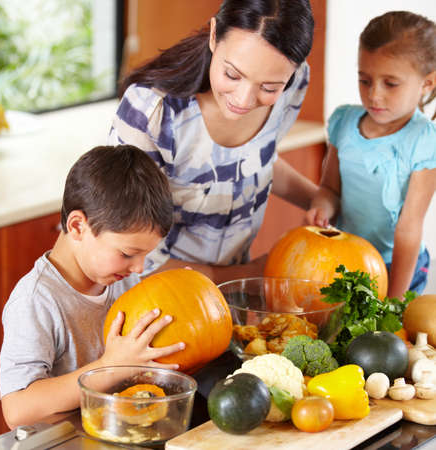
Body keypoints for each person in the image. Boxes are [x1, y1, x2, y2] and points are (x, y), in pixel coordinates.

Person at [108, 0, 318, 284]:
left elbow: (256, 160)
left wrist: (320, 199)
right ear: (213, 35)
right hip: (153, 297)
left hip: (231, 294)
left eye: (269, 87)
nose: (243, 100)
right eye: (232, 74)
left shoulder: (295, 80)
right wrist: (249, 275)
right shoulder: (151, 111)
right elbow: (134, 257)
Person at [0, 145, 185, 428]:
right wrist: (110, 368)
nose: (139, 268)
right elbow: (17, 409)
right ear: (77, 227)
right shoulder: (36, 301)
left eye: (146, 255)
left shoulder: (123, 280)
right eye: (127, 254)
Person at [306, 11, 436, 298]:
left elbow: (408, 228)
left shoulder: (424, 141)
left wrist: (395, 298)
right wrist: (322, 207)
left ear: (427, 83)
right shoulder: (344, 123)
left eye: (390, 83)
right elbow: (329, 188)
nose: (374, 95)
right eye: (365, 80)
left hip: (396, 266)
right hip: (345, 260)